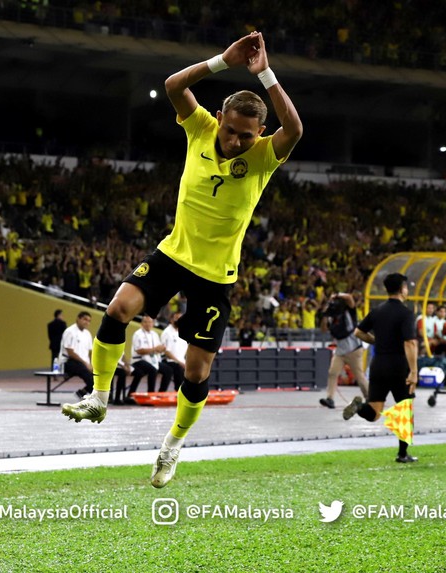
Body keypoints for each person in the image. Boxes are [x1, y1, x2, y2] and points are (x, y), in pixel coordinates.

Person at [60, 30, 302, 488]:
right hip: (173, 254)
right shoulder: (201, 128)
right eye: (230, 130)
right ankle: (98, 398)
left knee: (196, 369)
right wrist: (221, 61)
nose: (235, 140)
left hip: (216, 276)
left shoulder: (264, 156)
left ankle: (171, 447)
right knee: (118, 309)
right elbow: (173, 85)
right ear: (219, 118)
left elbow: (295, 130)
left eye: (246, 135)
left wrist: (266, 74)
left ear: (259, 134)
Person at [343, 273, 419, 463]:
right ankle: (402, 454)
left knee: (374, 412)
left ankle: (360, 407)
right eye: (406, 287)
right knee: (404, 410)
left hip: (378, 365)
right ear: (402, 289)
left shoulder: (377, 311)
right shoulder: (406, 313)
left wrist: (376, 341)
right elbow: (410, 343)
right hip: (399, 366)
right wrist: (413, 371)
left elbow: (358, 332)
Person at [319, 292, 369, 409]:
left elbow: (349, 298)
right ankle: (330, 398)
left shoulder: (349, 312)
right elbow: (323, 329)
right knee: (332, 373)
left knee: (359, 377)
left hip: (354, 349)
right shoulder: (331, 318)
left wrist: (336, 295)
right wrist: (325, 314)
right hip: (340, 351)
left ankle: (370, 398)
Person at [127, 316, 166, 398]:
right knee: (152, 370)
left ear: (153, 324)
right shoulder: (138, 334)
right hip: (138, 360)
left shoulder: (154, 334)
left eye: (150, 322)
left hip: (152, 359)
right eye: (145, 322)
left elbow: (160, 348)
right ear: (141, 323)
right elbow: (139, 351)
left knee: (168, 370)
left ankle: (162, 393)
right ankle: (151, 394)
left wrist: (161, 348)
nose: (148, 324)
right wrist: (154, 349)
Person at [60, 311, 95, 399]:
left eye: (89, 321)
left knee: (100, 376)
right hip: (69, 362)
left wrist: (91, 364)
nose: (87, 322)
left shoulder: (87, 334)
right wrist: (86, 364)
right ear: (78, 319)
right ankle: (96, 398)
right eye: (85, 319)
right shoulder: (69, 332)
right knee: (90, 378)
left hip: (83, 363)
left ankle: (82, 392)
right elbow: (70, 353)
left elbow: (90, 352)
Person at [160, 311, 188, 392]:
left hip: (182, 361)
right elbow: (166, 352)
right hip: (169, 360)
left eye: (180, 318)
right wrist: (180, 362)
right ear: (171, 320)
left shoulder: (184, 332)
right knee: (179, 369)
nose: (179, 320)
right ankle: (174, 391)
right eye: (176, 318)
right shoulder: (167, 332)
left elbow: (186, 348)